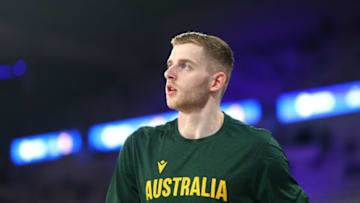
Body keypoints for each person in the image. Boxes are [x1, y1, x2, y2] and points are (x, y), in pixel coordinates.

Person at [106, 31, 309, 202]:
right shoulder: (140, 146)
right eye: (170, 64)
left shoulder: (256, 148)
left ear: (216, 82)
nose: (169, 73)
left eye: (185, 66)